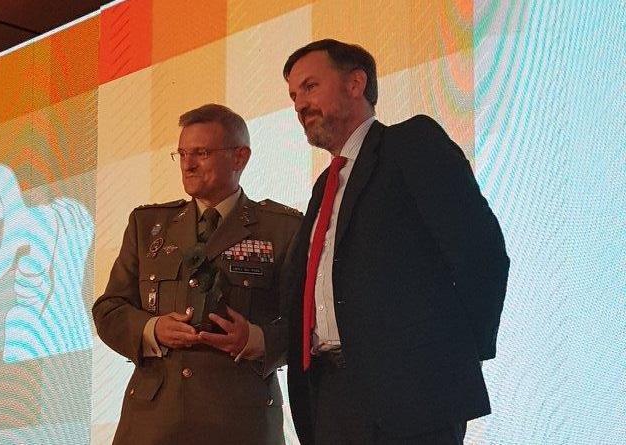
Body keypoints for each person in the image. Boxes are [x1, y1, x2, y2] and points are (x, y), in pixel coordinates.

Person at [282, 39, 510, 444]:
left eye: (310, 86)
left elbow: (481, 253)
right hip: (331, 399)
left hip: (412, 397)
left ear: (355, 83)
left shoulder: (410, 143)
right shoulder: (323, 187)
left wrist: (448, 358)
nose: (299, 104)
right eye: (294, 95)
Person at [93, 103, 301, 444]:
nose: (188, 164)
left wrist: (256, 339)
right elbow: (109, 309)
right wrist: (152, 328)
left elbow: (307, 322)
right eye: (182, 154)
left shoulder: (282, 229)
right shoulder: (148, 226)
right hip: (154, 423)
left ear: (240, 158)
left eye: (201, 153)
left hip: (239, 420)